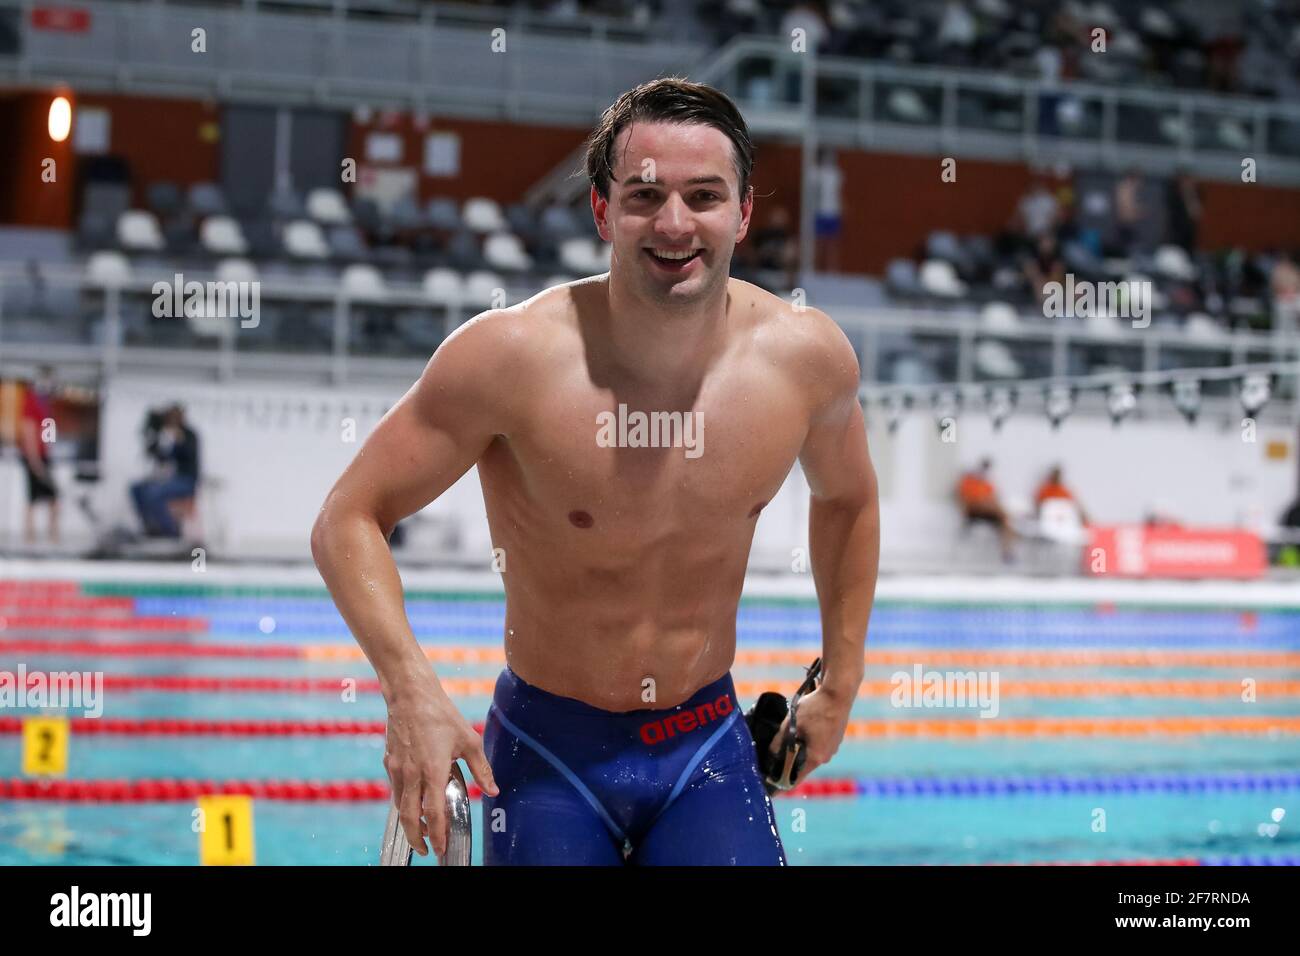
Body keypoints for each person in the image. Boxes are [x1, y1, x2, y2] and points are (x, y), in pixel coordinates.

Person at [312, 77, 880, 866]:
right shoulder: (510, 359)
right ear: (603, 211)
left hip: (705, 746)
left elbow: (848, 499)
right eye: (645, 195)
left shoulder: (807, 360)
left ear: (744, 213)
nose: (675, 224)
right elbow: (348, 516)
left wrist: (841, 681)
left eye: (705, 196)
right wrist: (408, 687)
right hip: (549, 752)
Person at [130, 404, 200, 538]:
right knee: (137, 489)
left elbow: (188, 453)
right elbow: (165, 458)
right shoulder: (171, 435)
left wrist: (179, 440)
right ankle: (149, 526)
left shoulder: (190, 435)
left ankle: (170, 532)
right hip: (173, 480)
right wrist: (153, 445)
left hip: (187, 481)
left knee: (154, 493)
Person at [18, 365, 60, 545]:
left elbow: (47, 431)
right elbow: (28, 432)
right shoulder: (31, 401)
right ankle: (30, 539)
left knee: (53, 499)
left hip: (43, 456)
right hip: (34, 457)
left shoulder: (45, 403)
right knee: (32, 499)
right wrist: (35, 461)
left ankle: (52, 537)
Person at [956, 458, 1014, 561]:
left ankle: (1007, 550)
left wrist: (991, 504)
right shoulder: (969, 482)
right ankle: (1007, 549)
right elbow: (966, 501)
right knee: (1002, 514)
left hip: (989, 514)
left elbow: (994, 498)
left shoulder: (987, 483)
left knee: (1005, 520)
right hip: (974, 513)